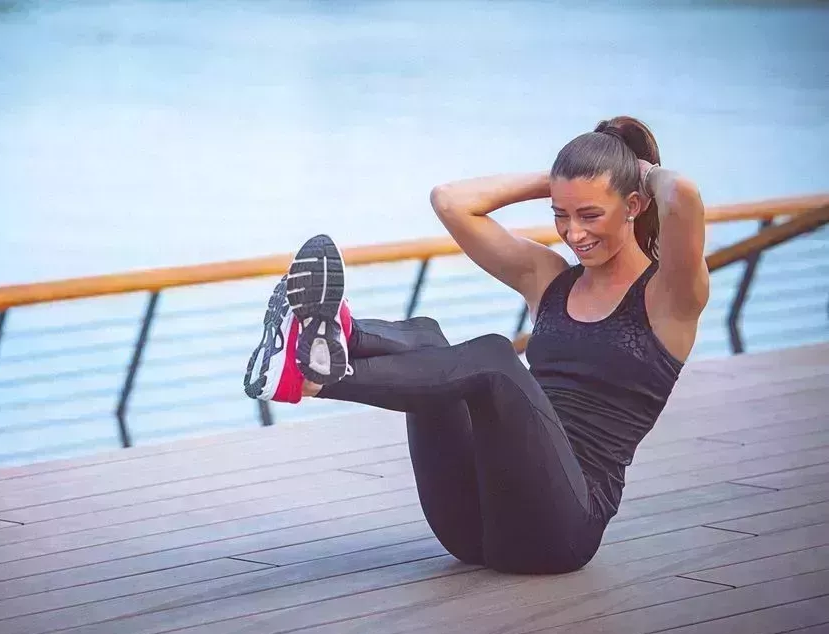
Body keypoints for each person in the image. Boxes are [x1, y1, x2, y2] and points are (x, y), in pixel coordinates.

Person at [243, 116, 708, 574]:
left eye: (589, 214)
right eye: (560, 214)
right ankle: (335, 335)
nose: (574, 233)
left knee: (493, 358)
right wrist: (564, 182)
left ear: (633, 205)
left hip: (560, 532)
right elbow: (449, 201)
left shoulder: (668, 296)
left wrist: (639, 173)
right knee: (423, 335)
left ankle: (311, 377)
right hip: (473, 525)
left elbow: (682, 195)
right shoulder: (549, 279)